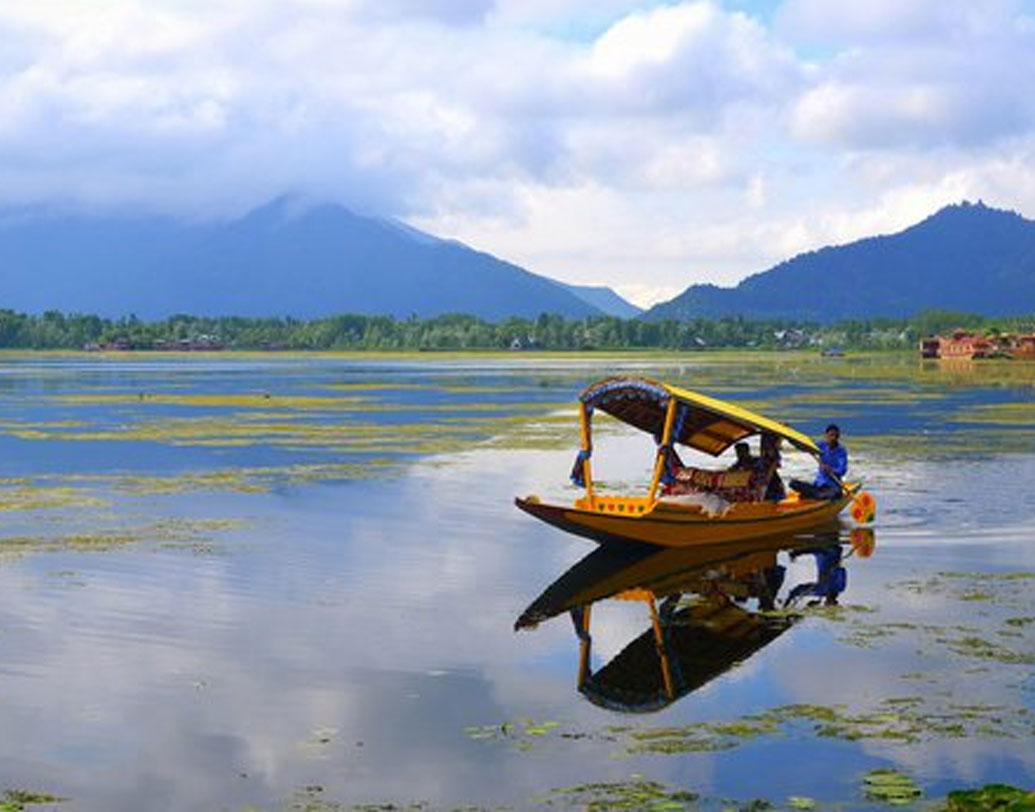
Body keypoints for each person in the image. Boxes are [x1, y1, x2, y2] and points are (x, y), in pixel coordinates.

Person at [790, 424, 847, 500]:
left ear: (838, 437)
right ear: (826, 436)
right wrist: (790, 436)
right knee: (793, 483)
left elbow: (842, 470)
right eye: (831, 435)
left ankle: (812, 495)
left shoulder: (841, 451)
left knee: (836, 494)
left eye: (836, 436)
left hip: (832, 486)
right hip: (818, 485)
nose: (833, 438)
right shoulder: (821, 445)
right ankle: (815, 495)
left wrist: (831, 470)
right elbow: (804, 447)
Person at [759, 433, 786, 502]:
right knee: (769, 478)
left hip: (768, 455)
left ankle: (769, 498)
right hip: (769, 455)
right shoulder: (770, 451)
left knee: (769, 478)